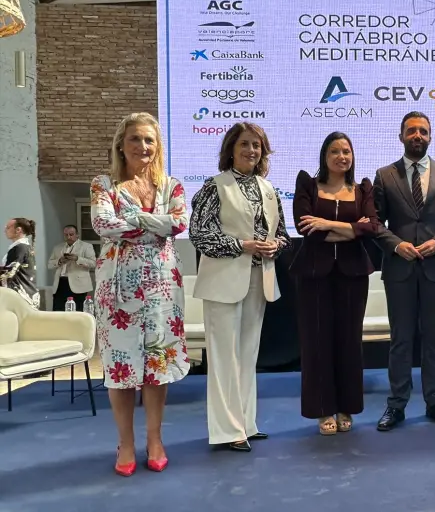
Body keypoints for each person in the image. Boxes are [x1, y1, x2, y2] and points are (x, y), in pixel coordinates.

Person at [90, 112, 191, 475]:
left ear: (157, 146)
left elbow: (179, 223)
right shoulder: (104, 184)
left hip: (163, 289)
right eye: (135, 138)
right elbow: (102, 224)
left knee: (156, 366)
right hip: (118, 290)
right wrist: (156, 225)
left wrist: (133, 221)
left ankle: (155, 439)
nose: (143, 146)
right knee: (121, 367)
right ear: (121, 144)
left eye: (150, 140)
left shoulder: (171, 186)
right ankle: (126, 443)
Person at [189, 122, 290, 451]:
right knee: (223, 357)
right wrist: (241, 245)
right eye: (244, 144)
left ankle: (246, 423)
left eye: (256, 145)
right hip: (223, 281)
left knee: (247, 355)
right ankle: (227, 431)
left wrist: (275, 245)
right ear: (231, 149)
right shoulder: (214, 186)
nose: (251, 150)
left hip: (259, 280)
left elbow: (282, 234)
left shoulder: (269, 188)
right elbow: (199, 234)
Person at [373, 112, 435, 431]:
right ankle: (396, 404)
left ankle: (434, 400)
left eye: (423, 131)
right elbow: (374, 222)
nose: (417, 136)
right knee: (400, 339)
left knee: (433, 340)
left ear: (430, 137)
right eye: (411, 131)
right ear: (401, 136)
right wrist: (396, 245)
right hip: (399, 268)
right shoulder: (384, 175)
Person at [291, 132, 381, 436]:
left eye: (346, 151)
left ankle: (346, 407)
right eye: (334, 151)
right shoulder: (308, 184)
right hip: (314, 274)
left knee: (349, 341)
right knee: (316, 341)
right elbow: (305, 227)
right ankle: (322, 409)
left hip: (353, 274)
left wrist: (328, 224)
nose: (342, 156)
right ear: (324, 155)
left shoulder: (363, 188)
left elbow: (373, 227)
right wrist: (352, 230)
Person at [47, 224, 96, 312]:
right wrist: (60, 261)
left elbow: (93, 263)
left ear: (77, 235)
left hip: (78, 284)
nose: (69, 237)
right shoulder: (58, 248)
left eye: (71, 234)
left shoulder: (86, 246)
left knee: (78, 312)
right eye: (66, 235)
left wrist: (77, 259)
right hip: (60, 284)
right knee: (58, 311)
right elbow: (49, 265)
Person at [1, 218, 40, 309]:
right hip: (26, 295)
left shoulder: (20, 248)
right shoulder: (24, 247)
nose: (5, 230)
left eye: (8, 227)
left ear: (18, 230)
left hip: (20, 297)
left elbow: (8, 273)